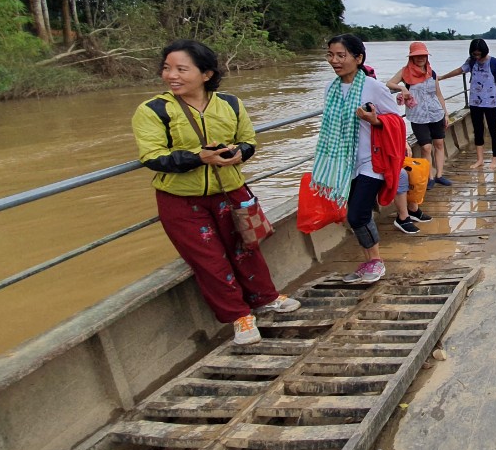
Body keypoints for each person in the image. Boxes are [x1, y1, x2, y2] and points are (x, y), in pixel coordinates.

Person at [132, 40, 298, 347]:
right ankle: (238, 315)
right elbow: (152, 156)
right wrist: (199, 157)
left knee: (246, 246)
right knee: (209, 259)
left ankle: (265, 298)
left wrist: (240, 153)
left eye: (182, 69)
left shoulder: (230, 104)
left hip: (231, 189)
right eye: (167, 68)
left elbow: (248, 140)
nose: (172, 76)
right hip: (181, 200)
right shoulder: (154, 110)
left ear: (206, 74)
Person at [313, 34, 403, 285]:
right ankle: (369, 262)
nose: (334, 60)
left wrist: (375, 120)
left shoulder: (373, 87)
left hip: (370, 162)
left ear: (358, 58)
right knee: (354, 214)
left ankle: (376, 262)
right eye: (330, 55)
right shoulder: (331, 89)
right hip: (344, 163)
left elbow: (396, 119)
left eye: (341, 55)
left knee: (357, 214)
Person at [438, 38, 496, 169]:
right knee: (478, 131)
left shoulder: (494, 62)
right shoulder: (471, 62)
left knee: (493, 130)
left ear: (485, 51)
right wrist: (442, 77)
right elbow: (459, 70)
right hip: (475, 103)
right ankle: (480, 159)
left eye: (479, 54)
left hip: (491, 103)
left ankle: (495, 159)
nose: (477, 56)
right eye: (474, 54)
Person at [388, 41, 451, 188]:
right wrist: (402, 88)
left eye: (423, 55)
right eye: (417, 56)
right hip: (418, 115)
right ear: (411, 57)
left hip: (436, 113)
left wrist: (446, 114)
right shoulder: (405, 72)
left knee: (439, 144)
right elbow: (389, 83)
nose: (420, 58)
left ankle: (439, 175)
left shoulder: (432, 72)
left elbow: (439, 95)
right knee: (426, 147)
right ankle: (428, 177)